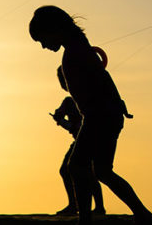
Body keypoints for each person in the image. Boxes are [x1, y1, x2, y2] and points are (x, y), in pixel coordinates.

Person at [29, 6, 152, 224]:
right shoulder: (78, 47)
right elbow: (104, 76)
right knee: (103, 171)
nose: (43, 46)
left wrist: (114, 105)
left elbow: (101, 77)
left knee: (76, 166)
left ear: (54, 29)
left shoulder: (76, 51)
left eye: (42, 39)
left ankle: (85, 219)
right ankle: (143, 214)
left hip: (99, 116)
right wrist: (118, 104)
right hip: (106, 114)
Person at [51, 66, 106, 216]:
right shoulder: (69, 102)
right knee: (81, 171)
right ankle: (80, 205)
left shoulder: (83, 98)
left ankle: (89, 207)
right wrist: (60, 118)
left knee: (88, 172)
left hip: (91, 139)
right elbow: (64, 118)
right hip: (83, 139)